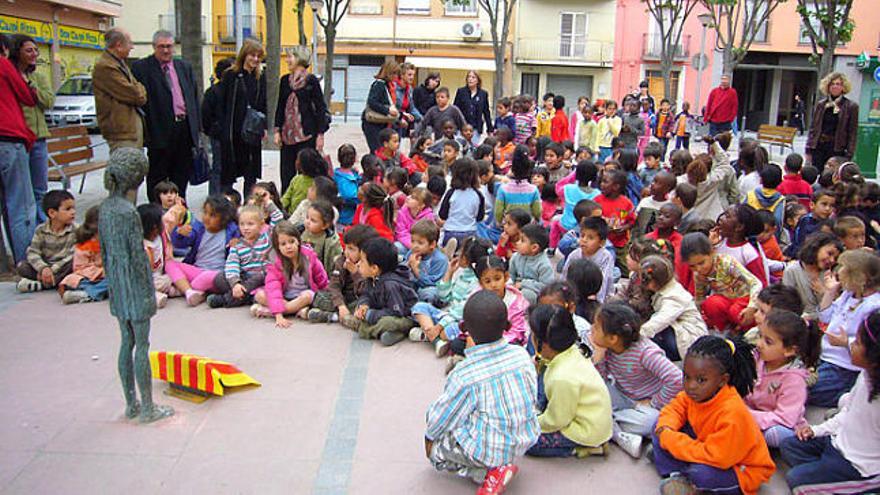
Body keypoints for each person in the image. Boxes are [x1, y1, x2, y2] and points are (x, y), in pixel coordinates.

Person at [425, 290, 538, 492]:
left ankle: (487, 474)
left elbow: (441, 418)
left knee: (436, 452)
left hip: (488, 450)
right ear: (507, 326)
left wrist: (429, 438)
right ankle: (501, 466)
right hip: (524, 439)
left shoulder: (465, 374)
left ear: (464, 329)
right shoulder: (521, 356)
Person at [99, 147, 173, 423]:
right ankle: (147, 408)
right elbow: (138, 258)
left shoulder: (106, 208)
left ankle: (131, 403)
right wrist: (148, 292)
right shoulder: (128, 213)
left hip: (118, 285)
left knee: (125, 341)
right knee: (142, 344)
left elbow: (106, 253)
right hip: (135, 285)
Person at [652, 335, 775, 495]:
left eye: (701, 380)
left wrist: (670, 440)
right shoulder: (697, 393)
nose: (690, 386)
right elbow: (675, 408)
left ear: (722, 380)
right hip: (707, 445)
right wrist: (666, 429)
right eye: (686, 377)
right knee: (659, 425)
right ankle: (676, 474)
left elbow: (717, 457)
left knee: (702, 474)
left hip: (739, 467)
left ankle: (683, 474)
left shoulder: (732, 413)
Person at [780, 310, 880, 494]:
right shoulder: (866, 375)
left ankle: (857, 486)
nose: (851, 345)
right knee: (789, 445)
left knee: (798, 482)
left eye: (857, 342)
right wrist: (817, 430)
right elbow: (848, 413)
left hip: (859, 466)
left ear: (874, 356)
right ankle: (829, 479)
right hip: (837, 442)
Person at [590, 301, 681, 458]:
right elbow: (602, 380)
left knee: (652, 422)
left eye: (596, 327)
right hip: (623, 397)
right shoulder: (608, 348)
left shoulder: (645, 353)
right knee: (592, 389)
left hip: (647, 406)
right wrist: (599, 359)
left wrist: (654, 402)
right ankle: (620, 433)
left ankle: (611, 426)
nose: (592, 329)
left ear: (613, 338)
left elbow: (676, 379)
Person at [527, 304, 612, 458]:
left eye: (532, 335)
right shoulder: (571, 350)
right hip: (583, 413)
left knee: (528, 442)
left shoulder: (562, 377)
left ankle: (586, 448)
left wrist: (532, 423)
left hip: (586, 430)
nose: (530, 338)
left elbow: (557, 420)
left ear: (544, 344)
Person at [131, 30, 201, 202]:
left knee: (181, 174)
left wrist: (197, 127)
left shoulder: (183, 67)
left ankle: (179, 209)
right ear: (154, 47)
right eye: (161, 47)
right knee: (158, 176)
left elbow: (193, 97)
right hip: (159, 132)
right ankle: (157, 212)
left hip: (183, 128)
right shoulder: (142, 68)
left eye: (169, 46)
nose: (166, 50)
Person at [808, 249, 880, 407]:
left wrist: (846, 342)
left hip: (844, 367)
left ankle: (847, 397)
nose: (839, 271)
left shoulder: (873, 306)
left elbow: (872, 344)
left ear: (860, 277)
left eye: (845, 268)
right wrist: (830, 292)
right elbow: (825, 317)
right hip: (825, 357)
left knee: (804, 392)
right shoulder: (849, 295)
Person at [745, 309, 822, 448]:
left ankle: (752, 439)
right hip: (752, 413)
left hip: (781, 423)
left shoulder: (794, 380)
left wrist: (746, 416)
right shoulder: (757, 359)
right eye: (760, 336)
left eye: (768, 341)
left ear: (789, 350)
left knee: (776, 435)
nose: (759, 344)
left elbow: (785, 418)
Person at [0, 33, 38, 264]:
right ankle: (26, 262)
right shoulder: (4, 66)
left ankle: (3, 265)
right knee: (21, 204)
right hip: (9, 138)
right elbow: (27, 97)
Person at [273, 46, 329, 194]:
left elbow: (320, 109)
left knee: (307, 174)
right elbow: (280, 106)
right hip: (287, 136)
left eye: (290, 57)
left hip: (307, 135)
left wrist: (320, 135)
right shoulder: (285, 80)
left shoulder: (311, 81)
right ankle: (287, 206)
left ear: (299, 58)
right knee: (286, 175)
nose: (287, 60)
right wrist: (277, 130)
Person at [9, 35, 52, 224]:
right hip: (19, 139)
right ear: (17, 52)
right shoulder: (10, 75)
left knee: (40, 188)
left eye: (36, 50)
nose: (34, 54)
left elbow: (49, 101)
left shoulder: (39, 77)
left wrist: (31, 87)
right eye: (29, 50)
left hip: (39, 138)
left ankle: (43, 228)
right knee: (22, 192)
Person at [167, 195, 241, 306]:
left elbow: (240, 249)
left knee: (206, 278)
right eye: (205, 213)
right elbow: (180, 244)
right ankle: (189, 292)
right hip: (197, 270)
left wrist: (236, 244)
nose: (206, 217)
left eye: (212, 215)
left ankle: (184, 287)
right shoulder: (198, 228)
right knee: (170, 264)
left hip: (217, 275)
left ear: (224, 218)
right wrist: (180, 234)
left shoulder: (232, 230)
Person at [681, 232, 762, 332]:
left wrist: (752, 307)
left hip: (745, 299)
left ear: (712, 253)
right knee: (711, 304)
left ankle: (748, 333)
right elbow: (699, 298)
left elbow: (756, 283)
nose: (698, 268)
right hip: (726, 301)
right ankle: (726, 331)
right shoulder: (698, 274)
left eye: (701, 263)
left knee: (735, 311)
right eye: (692, 266)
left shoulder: (727, 263)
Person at [252, 220, 328, 327]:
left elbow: (321, 278)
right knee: (260, 295)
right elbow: (273, 288)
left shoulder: (309, 257)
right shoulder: (275, 263)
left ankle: (269, 311)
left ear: (298, 241)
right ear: (277, 247)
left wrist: (328, 294)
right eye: (283, 244)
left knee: (308, 296)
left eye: (291, 241)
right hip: (283, 296)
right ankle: (292, 311)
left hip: (301, 297)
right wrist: (279, 316)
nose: (288, 246)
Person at [344, 237, 418, 346]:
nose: (358, 264)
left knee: (386, 323)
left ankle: (369, 330)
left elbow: (396, 312)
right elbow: (366, 294)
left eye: (362, 261)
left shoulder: (390, 285)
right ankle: (389, 333)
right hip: (383, 308)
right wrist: (364, 305)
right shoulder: (371, 277)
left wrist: (371, 314)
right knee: (354, 305)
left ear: (374, 268)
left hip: (404, 316)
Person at [219, 38, 267, 195]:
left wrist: (264, 127)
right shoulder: (231, 76)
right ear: (244, 55)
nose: (255, 59)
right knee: (228, 174)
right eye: (252, 55)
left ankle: (248, 206)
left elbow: (263, 104)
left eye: (258, 56)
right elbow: (222, 103)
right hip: (234, 132)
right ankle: (225, 206)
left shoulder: (260, 78)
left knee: (250, 173)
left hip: (252, 131)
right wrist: (222, 129)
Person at [639, 255, 708, 362]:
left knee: (654, 334)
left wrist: (637, 336)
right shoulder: (664, 289)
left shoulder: (673, 296)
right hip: (678, 329)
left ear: (656, 281)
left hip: (690, 338)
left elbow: (661, 320)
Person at [308, 224, 378, 324]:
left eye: (351, 249)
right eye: (345, 248)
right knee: (319, 297)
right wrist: (341, 306)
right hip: (343, 298)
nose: (346, 252)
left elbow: (367, 291)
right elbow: (334, 286)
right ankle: (337, 315)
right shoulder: (342, 261)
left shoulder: (371, 265)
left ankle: (331, 316)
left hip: (360, 300)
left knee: (365, 307)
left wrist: (355, 273)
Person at [93, 28, 147, 152]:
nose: (132, 47)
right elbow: (136, 95)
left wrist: (139, 89)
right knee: (126, 168)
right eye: (130, 43)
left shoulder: (119, 64)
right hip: (121, 132)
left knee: (136, 167)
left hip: (130, 129)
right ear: (118, 45)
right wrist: (139, 90)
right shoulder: (106, 67)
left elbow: (138, 87)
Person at [16, 190, 76, 292]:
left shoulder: (75, 230)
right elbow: (33, 252)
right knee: (22, 266)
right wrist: (43, 268)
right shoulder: (41, 230)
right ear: (52, 213)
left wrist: (52, 270)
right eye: (68, 209)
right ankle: (50, 282)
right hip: (45, 267)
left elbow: (71, 255)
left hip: (61, 268)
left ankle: (41, 284)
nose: (73, 212)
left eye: (73, 208)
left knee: (73, 263)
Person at [807, 72, 859, 173]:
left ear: (843, 87)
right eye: (832, 84)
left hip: (837, 149)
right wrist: (809, 147)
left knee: (832, 176)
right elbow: (813, 127)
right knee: (817, 174)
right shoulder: (821, 105)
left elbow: (853, 132)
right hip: (819, 147)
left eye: (838, 84)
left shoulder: (851, 106)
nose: (835, 86)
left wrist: (849, 153)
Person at [58, 206, 108, 304]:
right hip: (84, 280)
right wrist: (102, 271)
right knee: (112, 283)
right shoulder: (84, 246)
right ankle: (88, 294)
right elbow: (80, 268)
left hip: (101, 279)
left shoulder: (110, 243)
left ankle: (85, 294)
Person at [201, 57, 235, 195]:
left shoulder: (233, 90)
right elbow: (205, 116)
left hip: (229, 135)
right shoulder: (214, 92)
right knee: (218, 166)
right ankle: (215, 196)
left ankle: (226, 194)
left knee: (226, 166)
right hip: (219, 136)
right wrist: (214, 130)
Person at [508, 224, 555, 305]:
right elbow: (511, 275)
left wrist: (523, 284)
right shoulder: (516, 256)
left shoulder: (544, 265)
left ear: (534, 248)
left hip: (534, 293)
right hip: (516, 286)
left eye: (522, 240)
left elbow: (546, 286)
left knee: (528, 295)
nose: (517, 242)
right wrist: (510, 284)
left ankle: (525, 312)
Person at [362, 60, 400, 153]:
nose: (396, 76)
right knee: (377, 151)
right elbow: (372, 102)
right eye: (394, 73)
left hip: (381, 123)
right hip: (373, 124)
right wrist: (387, 110)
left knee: (382, 151)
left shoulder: (388, 85)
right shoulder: (379, 84)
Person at [453, 70, 492, 145]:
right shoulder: (461, 91)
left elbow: (486, 112)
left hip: (476, 128)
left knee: (473, 148)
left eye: (473, 77)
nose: (470, 79)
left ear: (478, 80)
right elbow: (455, 109)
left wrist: (490, 128)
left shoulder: (483, 94)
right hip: (461, 127)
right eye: (469, 77)